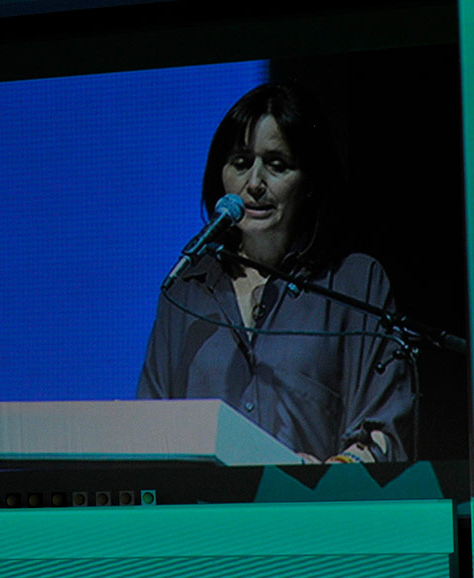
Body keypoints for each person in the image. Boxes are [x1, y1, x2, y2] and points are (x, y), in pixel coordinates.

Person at [137, 82, 413, 463]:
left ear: (310, 182)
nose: (254, 184)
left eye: (276, 165)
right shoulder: (186, 290)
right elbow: (149, 433)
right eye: (240, 163)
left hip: (316, 501)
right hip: (204, 503)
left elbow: (384, 436)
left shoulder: (355, 283)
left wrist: (319, 477)